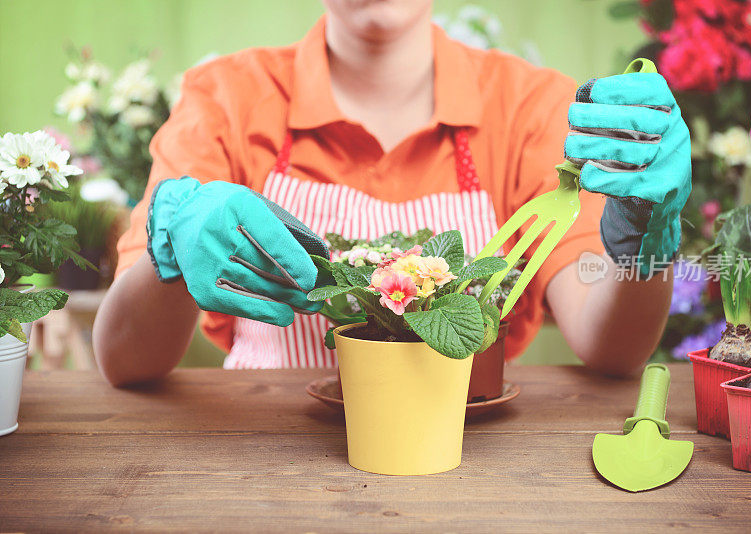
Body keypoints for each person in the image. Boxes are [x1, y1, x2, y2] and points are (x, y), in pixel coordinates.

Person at [93, 0, 689, 386]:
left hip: (466, 461)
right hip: (264, 458)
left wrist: (649, 243)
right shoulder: (228, 96)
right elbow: (123, 360)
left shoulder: (530, 106)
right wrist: (170, 246)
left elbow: (611, 348)